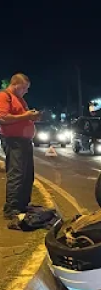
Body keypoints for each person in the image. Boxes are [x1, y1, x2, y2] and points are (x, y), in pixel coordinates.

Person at [0, 74, 40, 222]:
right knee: (16, 174)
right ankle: (12, 209)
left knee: (27, 174)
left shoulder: (20, 99)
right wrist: (26, 116)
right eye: (24, 88)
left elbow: (22, 116)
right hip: (14, 141)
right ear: (15, 84)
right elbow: (3, 118)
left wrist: (32, 116)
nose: (26, 91)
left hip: (24, 142)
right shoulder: (4, 96)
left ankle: (23, 205)